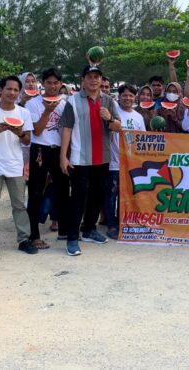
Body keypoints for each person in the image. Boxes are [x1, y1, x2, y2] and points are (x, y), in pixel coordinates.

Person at [59, 65, 121, 256]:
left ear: (101, 80)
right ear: (83, 80)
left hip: (102, 157)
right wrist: (63, 156)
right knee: (78, 198)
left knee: (96, 196)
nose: (94, 80)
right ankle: (72, 238)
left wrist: (109, 118)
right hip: (80, 158)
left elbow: (118, 127)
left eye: (97, 77)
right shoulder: (73, 100)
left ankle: (89, 230)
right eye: (90, 76)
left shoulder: (109, 100)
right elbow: (67, 128)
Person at [0, 75, 38, 261]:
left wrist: (19, 133)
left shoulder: (23, 113)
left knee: (19, 205)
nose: (12, 93)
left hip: (15, 164)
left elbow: (27, 140)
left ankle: (24, 239)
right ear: (1, 90)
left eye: (16, 90)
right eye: (9, 89)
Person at [25, 67, 69, 247]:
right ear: (43, 84)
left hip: (59, 151)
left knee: (63, 191)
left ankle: (64, 230)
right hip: (40, 151)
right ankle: (34, 235)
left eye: (56, 83)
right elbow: (36, 130)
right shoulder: (32, 104)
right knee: (35, 192)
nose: (52, 86)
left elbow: (67, 130)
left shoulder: (65, 104)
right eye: (49, 83)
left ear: (60, 84)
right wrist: (47, 112)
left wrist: (65, 154)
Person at [107, 83, 146, 239]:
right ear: (119, 97)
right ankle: (111, 225)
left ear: (134, 98)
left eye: (131, 95)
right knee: (111, 196)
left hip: (131, 164)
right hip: (114, 162)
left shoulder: (138, 117)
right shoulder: (113, 113)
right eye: (125, 95)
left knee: (127, 196)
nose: (128, 98)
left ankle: (123, 221)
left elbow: (142, 140)